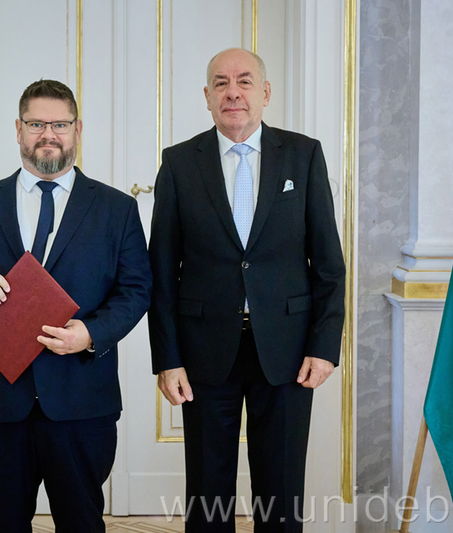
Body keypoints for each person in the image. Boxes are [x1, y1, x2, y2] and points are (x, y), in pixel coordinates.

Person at [0, 79, 152, 533]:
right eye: (36, 124)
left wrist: (91, 333)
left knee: (82, 523)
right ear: (18, 129)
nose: (49, 134)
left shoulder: (116, 208)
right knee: (3, 524)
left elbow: (136, 289)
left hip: (82, 400)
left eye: (60, 124)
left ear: (77, 129)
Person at [148, 48, 346, 532]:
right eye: (221, 83)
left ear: (265, 92)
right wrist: (167, 358)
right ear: (207, 97)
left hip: (288, 350)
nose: (232, 92)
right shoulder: (179, 163)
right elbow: (161, 271)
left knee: (281, 493)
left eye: (244, 81)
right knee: (206, 492)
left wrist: (324, 348)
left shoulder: (303, 154)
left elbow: (328, 264)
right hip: (203, 351)